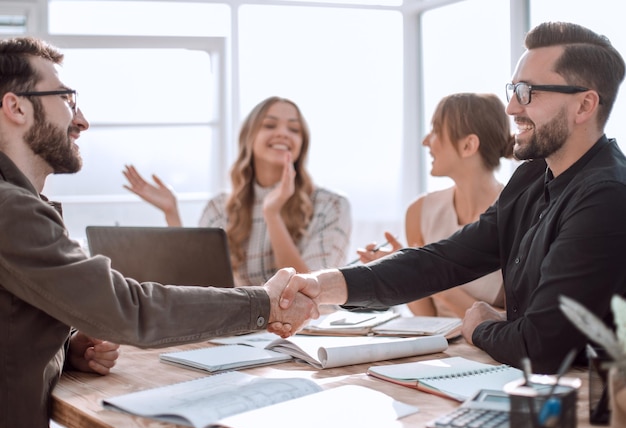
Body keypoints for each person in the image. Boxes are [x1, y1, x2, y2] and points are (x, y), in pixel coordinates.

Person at [0, 37, 315, 428]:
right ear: (16, 107)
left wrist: (64, 347)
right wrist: (264, 303)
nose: (81, 121)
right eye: (67, 99)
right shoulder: (10, 209)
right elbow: (129, 310)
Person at [273, 21, 626, 374]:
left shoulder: (605, 197)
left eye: (527, 92)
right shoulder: (533, 177)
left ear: (584, 106)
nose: (511, 109)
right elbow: (443, 260)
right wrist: (321, 286)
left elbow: (541, 346)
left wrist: (480, 327)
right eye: (513, 89)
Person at [123, 97, 352, 286]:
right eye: (269, 125)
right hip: (240, 333)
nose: (283, 133)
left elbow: (312, 290)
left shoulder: (330, 206)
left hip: (308, 335)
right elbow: (199, 284)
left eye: (294, 129)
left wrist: (272, 214)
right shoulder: (219, 208)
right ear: (249, 139)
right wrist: (172, 214)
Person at [357, 93, 513, 318]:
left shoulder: (519, 215)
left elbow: (511, 322)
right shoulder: (419, 212)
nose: (425, 141)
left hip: (490, 350)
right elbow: (426, 318)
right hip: (436, 347)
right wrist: (403, 274)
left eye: (436, 130)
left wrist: (424, 275)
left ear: (468, 145)